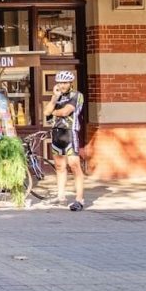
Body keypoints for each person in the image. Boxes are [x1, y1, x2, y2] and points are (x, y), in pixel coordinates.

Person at [43, 70, 86, 211]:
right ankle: (61, 195)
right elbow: (45, 112)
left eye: (65, 82)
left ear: (70, 83)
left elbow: (65, 112)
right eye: (60, 82)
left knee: (74, 166)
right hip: (56, 133)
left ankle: (79, 199)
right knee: (60, 167)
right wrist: (54, 98)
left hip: (70, 132)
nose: (62, 85)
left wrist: (53, 112)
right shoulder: (57, 95)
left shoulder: (77, 95)